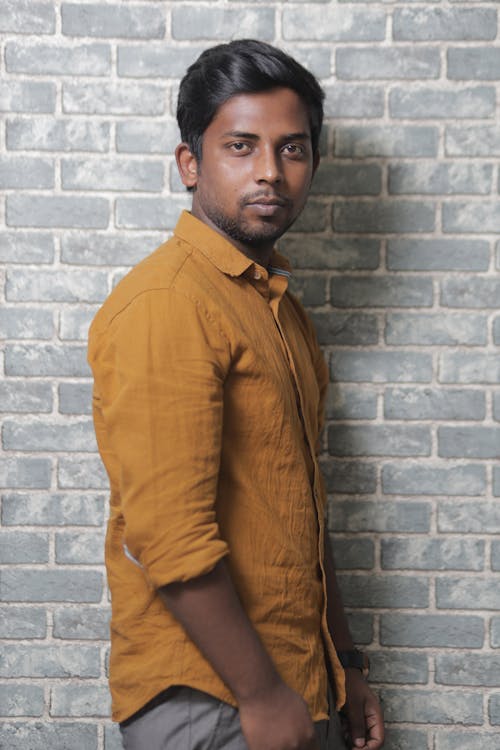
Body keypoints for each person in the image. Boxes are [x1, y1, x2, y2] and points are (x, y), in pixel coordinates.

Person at [88, 39, 384, 750]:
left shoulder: (276, 307)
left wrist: (345, 666)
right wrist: (261, 694)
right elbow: (168, 535)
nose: (270, 174)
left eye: (292, 150)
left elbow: (300, 511)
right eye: (241, 146)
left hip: (291, 682)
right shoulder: (167, 302)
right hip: (213, 697)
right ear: (191, 163)